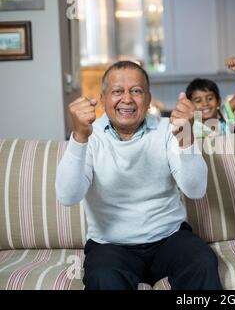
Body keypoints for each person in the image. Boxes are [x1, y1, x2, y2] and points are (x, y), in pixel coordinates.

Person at [55, 60, 222, 290]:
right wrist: (79, 137)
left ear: (148, 98)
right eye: (117, 91)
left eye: (136, 91)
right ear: (103, 98)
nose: (127, 99)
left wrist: (186, 136)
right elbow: (67, 196)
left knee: (203, 262)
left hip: (170, 239)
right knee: (103, 278)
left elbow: (196, 190)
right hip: (110, 246)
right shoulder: (89, 136)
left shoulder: (167, 129)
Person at [186, 57, 235, 137]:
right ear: (190, 105)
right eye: (198, 101)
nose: (205, 103)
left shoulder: (224, 113)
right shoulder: (191, 125)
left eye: (210, 98)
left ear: (218, 101)